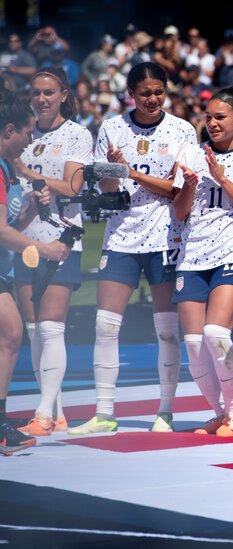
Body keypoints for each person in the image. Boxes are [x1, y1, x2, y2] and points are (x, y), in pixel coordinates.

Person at [68, 62, 198, 435]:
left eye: (159, 91)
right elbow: (107, 192)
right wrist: (112, 173)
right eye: (145, 93)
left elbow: (179, 191)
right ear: (130, 94)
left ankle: (166, 411)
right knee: (105, 326)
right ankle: (104, 413)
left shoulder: (182, 130)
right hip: (121, 237)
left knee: (166, 330)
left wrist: (132, 173)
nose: (153, 99)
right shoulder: (111, 127)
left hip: (166, 238)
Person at [172, 86, 233, 437]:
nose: (212, 123)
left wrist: (223, 179)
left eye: (220, 117)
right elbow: (180, 213)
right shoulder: (190, 153)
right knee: (195, 344)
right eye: (208, 117)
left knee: (216, 334)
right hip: (193, 256)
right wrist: (187, 185)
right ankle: (217, 413)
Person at [12, 66, 91, 436]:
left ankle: (43, 412)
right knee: (32, 330)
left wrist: (28, 174)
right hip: (24, 239)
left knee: (50, 326)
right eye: (35, 93)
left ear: (63, 95)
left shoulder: (76, 134)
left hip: (62, 240)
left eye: (48, 93)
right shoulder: (22, 134)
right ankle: (55, 411)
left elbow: (74, 186)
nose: (41, 100)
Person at [0, 88, 69, 454]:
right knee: (11, 334)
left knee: (11, 334)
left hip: (2, 274)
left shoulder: (8, 170)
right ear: (9, 130)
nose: (31, 139)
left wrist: (28, 209)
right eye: (27, 132)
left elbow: (11, 225)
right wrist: (45, 248)